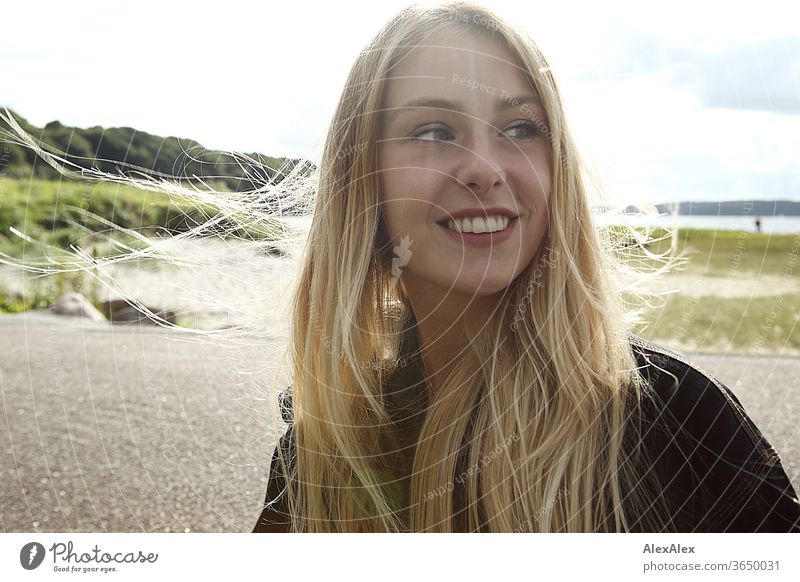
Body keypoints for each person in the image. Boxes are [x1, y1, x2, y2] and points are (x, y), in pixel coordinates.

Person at [251, 1, 800, 533]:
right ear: (361, 172)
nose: (487, 169)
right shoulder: (325, 451)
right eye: (435, 132)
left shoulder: (669, 422)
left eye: (520, 129)